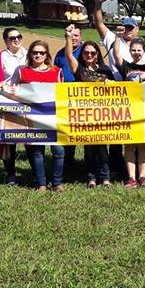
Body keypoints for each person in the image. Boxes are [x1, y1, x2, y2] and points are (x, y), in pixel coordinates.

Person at [4, 40, 65, 191]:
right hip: (31, 118)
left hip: (53, 117)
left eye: (41, 53)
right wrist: (1, 85)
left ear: (47, 55)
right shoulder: (22, 71)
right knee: (37, 152)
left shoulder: (56, 72)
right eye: (35, 52)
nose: (38, 55)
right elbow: (10, 89)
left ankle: (57, 182)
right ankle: (41, 183)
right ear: (30, 54)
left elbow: (63, 94)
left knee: (58, 151)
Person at [64, 25, 114, 188]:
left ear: (98, 54)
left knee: (102, 148)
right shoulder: (79, 69)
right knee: (89, 148)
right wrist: (69, 37)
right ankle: (91, 177)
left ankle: (105, 177)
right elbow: (69, 55)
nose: (90, 55)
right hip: (85, 114)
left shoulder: (106, 70)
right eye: (86, 53)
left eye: (93, 53)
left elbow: (116, 89)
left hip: (103, 114)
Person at [113, 35, 145, 188]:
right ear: (130, 51)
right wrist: (118, 37)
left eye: (139, 50)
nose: (136, 52)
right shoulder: (126, 67)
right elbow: (116, 55)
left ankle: (143, 177)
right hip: (129, 110)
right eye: (133, 50)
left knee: (143, 145)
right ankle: (131, 178)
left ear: (144, 51)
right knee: (130, 145)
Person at [0, 28, 26, 185]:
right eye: (12, 38)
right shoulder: (0, 57)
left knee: (32, 137)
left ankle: (37, 173)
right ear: (6, 41)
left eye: (18, 36)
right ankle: (10, 173)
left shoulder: (30, 54)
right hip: (8, 103)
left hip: (28, 102)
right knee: (9, 139)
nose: (16, 40)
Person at [53, 23, 83, 179]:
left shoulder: (86, 51)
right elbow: (56, 73)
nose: (74, 38)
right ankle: (67, 162)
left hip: (83, 97)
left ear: (81, 37)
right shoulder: (60, 53)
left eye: (76, 35)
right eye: (71, 35)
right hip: (65, 97)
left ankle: (87, 164)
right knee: (67, 130)